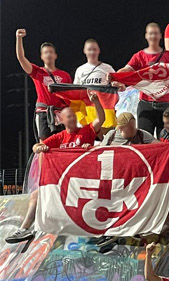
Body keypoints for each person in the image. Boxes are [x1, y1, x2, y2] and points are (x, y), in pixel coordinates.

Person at [5, 95, 104, 245]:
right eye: (68, 117)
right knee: (35, 195)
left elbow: (100, 119)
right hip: (63, 183)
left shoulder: (86, 132)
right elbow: (36, 147)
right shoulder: (59, 137)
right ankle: (25, 229)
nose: (72, 119)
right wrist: (41, 148)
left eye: (73, 116)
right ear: (61, 120)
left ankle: (103, 230)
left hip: (83, 181)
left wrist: (96, 102)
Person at [114, 23, 169, 138]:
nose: (153, 36)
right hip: (145, 104)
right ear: (146, 36)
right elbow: (127, 70)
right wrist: (115, 75)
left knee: (165, 139)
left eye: (155, 33)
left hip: (164, 104)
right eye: (150, 33)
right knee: (144, 138)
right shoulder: (139, 56)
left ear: (160, 36)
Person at [16, 28, 72, 140]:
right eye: (46, 52)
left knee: (64, 142)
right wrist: (19, 38)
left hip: (62, 113)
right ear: (41, 56)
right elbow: (21, 58)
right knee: (44, 144)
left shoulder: (65, 75)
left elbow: (71, 96)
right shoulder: (37, 72)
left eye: (51, 52)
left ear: (56, 55)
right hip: (44, 113)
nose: (49, 54)